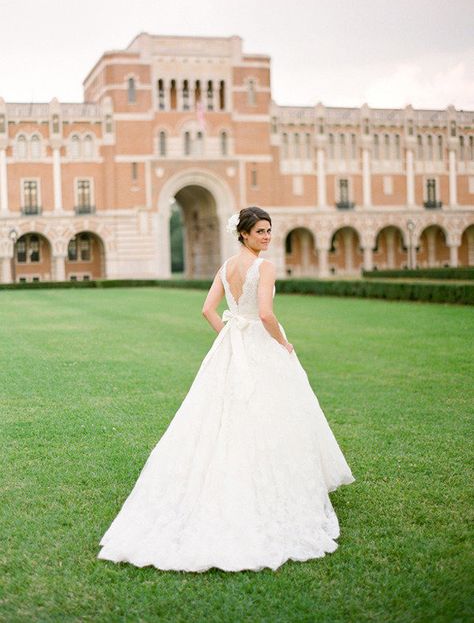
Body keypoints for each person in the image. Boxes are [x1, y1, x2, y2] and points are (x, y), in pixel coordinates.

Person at [97, 206, 355, 572]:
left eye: (269, 230)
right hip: (259, 343)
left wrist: (231, 335)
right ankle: (270, 490)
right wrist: (282, 344)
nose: (267, 236)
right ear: (244, 234)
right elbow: (265, 314)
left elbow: (207, 309)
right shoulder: (264, 267)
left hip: (233, 345)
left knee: (222, 414)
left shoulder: (225, 266)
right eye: (261, 231)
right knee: (268, 412)